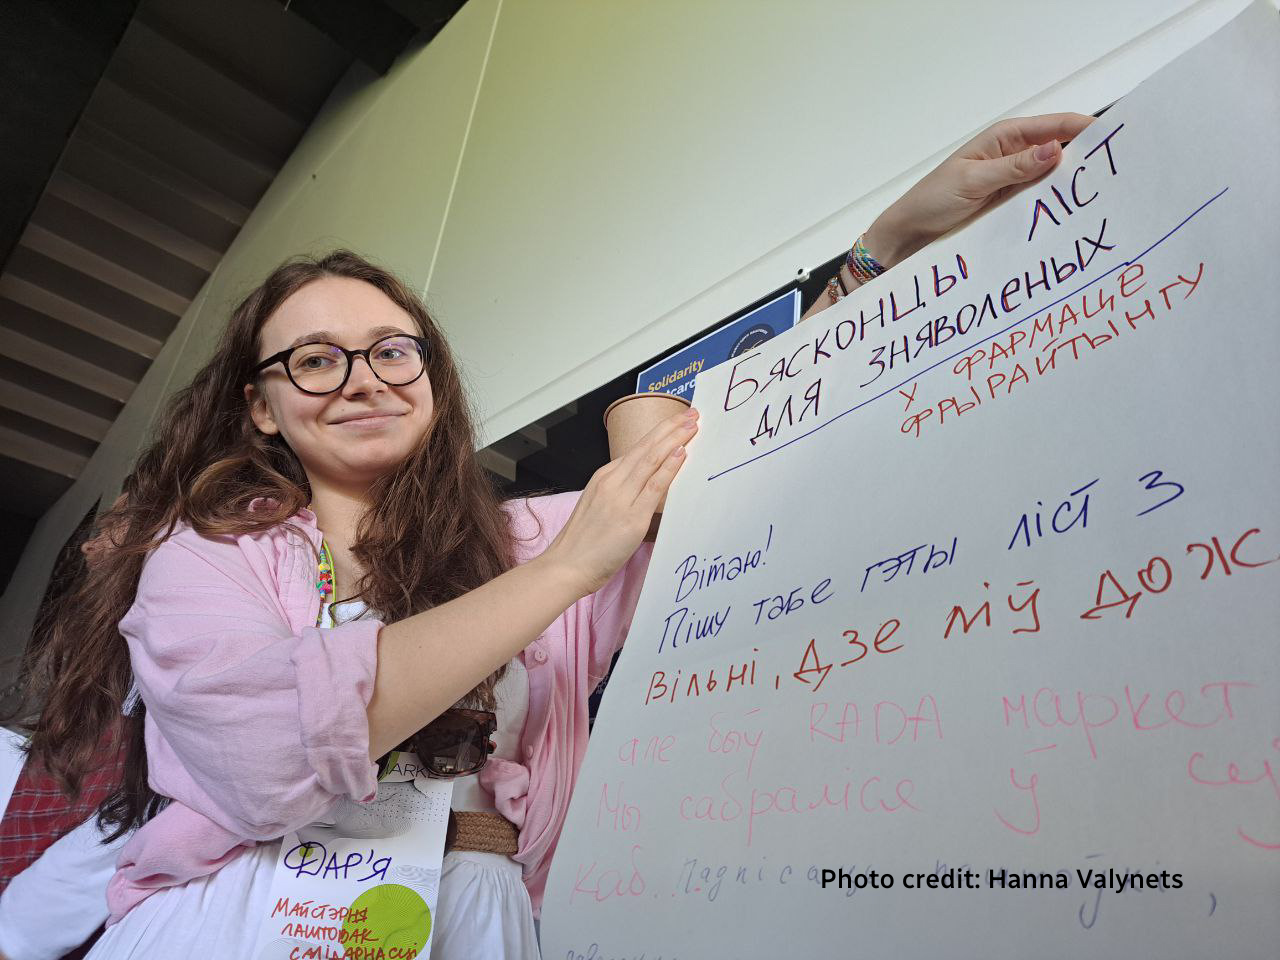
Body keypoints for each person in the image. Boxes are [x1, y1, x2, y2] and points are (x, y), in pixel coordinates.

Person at [0, 112, 1092, 960]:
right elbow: (264, 758)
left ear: (429, 375)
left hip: (471, 912)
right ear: (258, 404)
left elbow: (730, 458)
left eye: (394, 350)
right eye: (314, 359)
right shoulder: (203, 559)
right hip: (229, 916)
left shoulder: (521, 535)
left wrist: (886, 241)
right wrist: (575, 565)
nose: (362, 378)